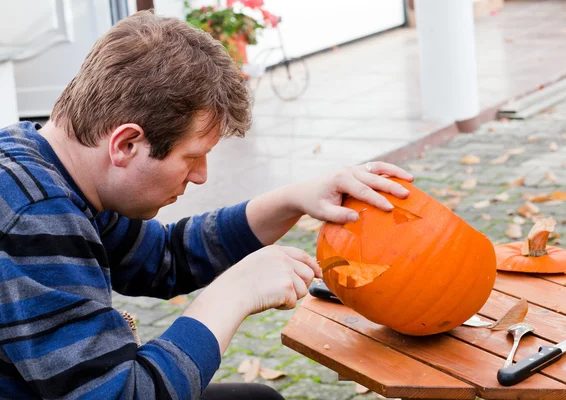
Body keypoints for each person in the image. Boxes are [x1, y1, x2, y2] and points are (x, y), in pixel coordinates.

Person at [0, 10, 413, 400]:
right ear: (126, 144)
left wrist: (292, 200)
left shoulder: (41, 159)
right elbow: (125, 393)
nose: (201, 176)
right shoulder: (35, 216)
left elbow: (163, 259)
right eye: (192, 156)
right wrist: (234, 293)